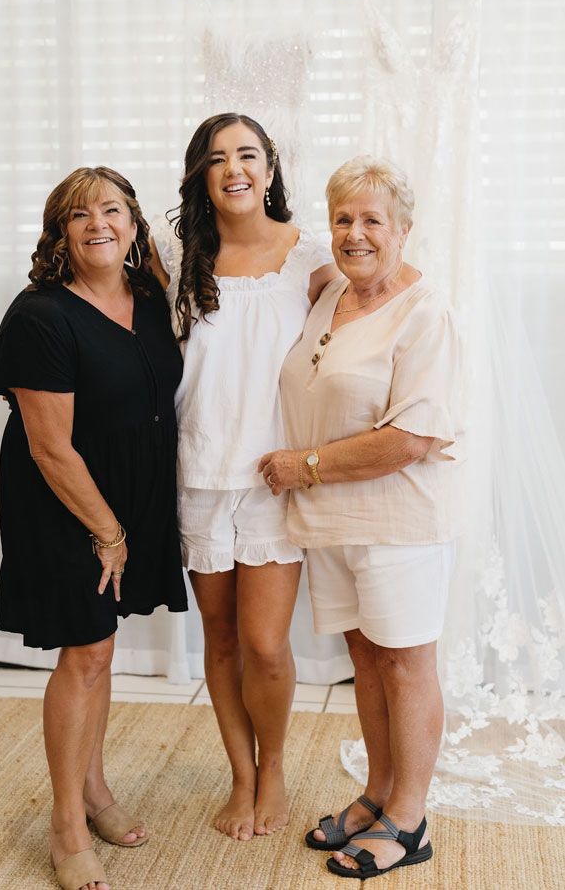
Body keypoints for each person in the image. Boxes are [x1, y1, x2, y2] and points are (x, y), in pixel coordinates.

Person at [259, 155, 463, 880]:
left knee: (405, 666)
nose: (354, 233)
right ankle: (377, 794)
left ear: (403, 230)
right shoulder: (333, 296)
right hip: (332, 523)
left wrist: (302, 465)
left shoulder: (423, 311)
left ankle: (409, 820)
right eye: (343, 218)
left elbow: (412, 437)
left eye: (372, 219)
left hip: (396, 521)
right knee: (366, 662)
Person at [0, 166, 187, 890]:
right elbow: (48, 446)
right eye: (79, 215)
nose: (97, 223)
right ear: (59, 233)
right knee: (85, 655)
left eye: (111, 210)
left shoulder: (147, 295)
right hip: (66, 502)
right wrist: (108, 531)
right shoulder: (40, 315)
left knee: (100, 651)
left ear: (134, 225)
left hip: (126, 499)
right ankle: (67, 827)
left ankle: (95, 792)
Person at [149, 113, 337, 841]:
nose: (235, 168)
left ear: (269, 168)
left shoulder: (307, 256)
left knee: (265, 644)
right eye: (218, 157)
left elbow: (373, 305)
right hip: (197, 473)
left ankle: (277, 767)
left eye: (248, 155)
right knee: (220, 641)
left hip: (273, 475)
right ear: (200, 173)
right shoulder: (174, 256)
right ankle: (241, 775)